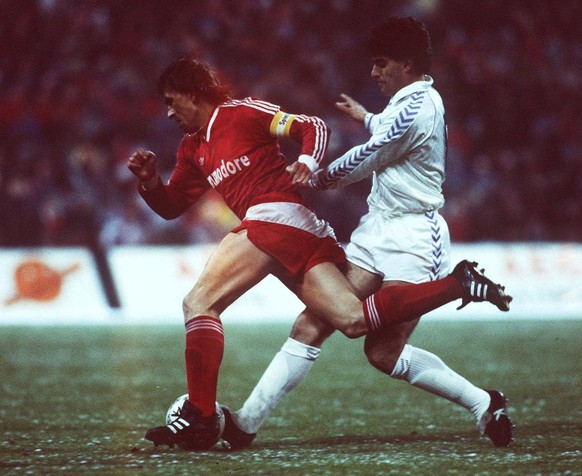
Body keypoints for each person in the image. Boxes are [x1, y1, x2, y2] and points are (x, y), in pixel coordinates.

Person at [127, 56, 511, 451]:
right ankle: (457, 286)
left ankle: (201, 417)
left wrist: (308, 161)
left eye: (173, 101)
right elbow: (173, 206)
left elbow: (311, 125)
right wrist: (150, 182)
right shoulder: (192, 149)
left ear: (195, 94)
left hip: (278, 217)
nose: (169, 112)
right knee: (350, 321)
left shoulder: (241, 113)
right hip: (298, 233)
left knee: (199, 302)